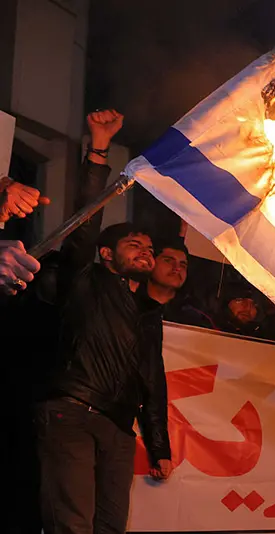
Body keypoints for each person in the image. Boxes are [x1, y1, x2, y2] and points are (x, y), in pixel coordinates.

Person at [35, 109, 172, 534]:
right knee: (72, 524)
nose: (146, 252)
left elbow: (152, 381)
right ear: (107, 254)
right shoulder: (84, 279)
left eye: (150, 249)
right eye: (134, 245)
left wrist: (159, 445)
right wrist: (98, 150)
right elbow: (85, 221)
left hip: (118, 428)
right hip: (72, 413)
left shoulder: (149, 313)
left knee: (111, 527)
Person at [145, 238, 216, 329]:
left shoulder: (196, 315)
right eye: (168, 260)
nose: (177, 268)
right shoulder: (131, 303)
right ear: (151, 262)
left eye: (182, 265)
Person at [217, 283, 275, 348]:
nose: (248, 303)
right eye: (241, 314)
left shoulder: (265, 296)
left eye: (240, 301)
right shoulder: (258, 338)